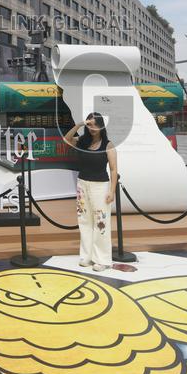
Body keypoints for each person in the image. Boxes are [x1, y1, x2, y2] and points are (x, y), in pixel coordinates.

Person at [63, 113, 118, 272]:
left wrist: (112, 191)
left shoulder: (108, 144)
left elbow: (113, 169)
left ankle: (102, 259)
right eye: (90, 124)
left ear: (101, 126)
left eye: (95, 124)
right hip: (82, 184)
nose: (92, 128)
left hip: (100, 186)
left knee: (101, 223)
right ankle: (86, 256)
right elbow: (66, 139)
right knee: (84, 221)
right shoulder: (82, 141)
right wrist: (79, 124)